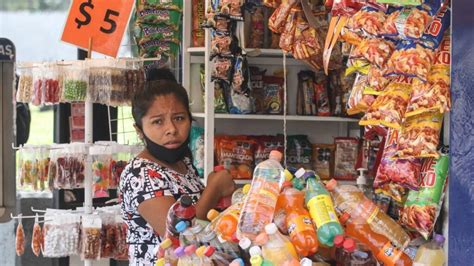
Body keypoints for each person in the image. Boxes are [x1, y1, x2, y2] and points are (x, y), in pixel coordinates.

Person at [119, 69, 236, 265]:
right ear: (139, 130)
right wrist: (213, 189)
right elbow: (178, 237)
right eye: (158, 122)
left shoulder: (181, 163)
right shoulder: (139, 174)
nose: (171, 129)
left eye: (179, 118)